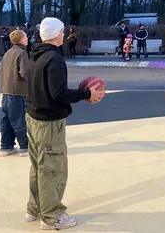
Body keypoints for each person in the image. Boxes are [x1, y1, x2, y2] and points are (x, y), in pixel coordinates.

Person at [24, 17, 105, 230]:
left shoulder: (34, 54)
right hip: (48, 123)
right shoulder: (54, 58)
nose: (64, 35)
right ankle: (52, 217)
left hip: (33, 117)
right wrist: (87, 93)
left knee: (38, 166)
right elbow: (59, 93)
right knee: (52, 169)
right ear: (56, 34)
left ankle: (34, 209)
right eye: (62, 31)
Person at [0, 30, 30, 157]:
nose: (27, 38)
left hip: (6, 92)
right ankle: (24, 146)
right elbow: (25, 73)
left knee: (7, 120)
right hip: (17, 92)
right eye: (26, 36)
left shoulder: (8, 53)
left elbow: (1, 71)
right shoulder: (22, 53)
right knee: (18, 120)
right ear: (22, 39)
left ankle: (6, 146)